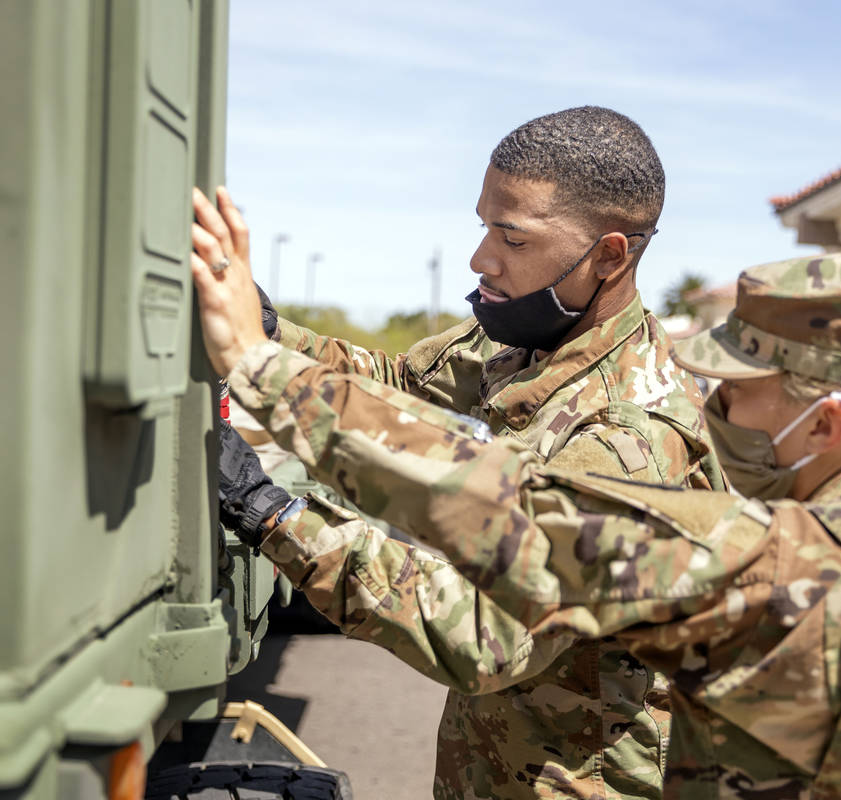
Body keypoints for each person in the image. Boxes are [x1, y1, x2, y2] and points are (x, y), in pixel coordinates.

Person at [195, 248, 841, 798]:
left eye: (740, 396)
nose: (713, 416)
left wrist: (263, 378)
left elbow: (508, 516)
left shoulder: (776, 570)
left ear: (824, 420)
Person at [194, 106, 727, 800]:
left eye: (511, 236)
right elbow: (396, 382)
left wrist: (271, 513)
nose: (482, 259)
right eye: (484, 227)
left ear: (608, 255)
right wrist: (265, 330)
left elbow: (481, 631)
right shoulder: (528, 341)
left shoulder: (629, 441)